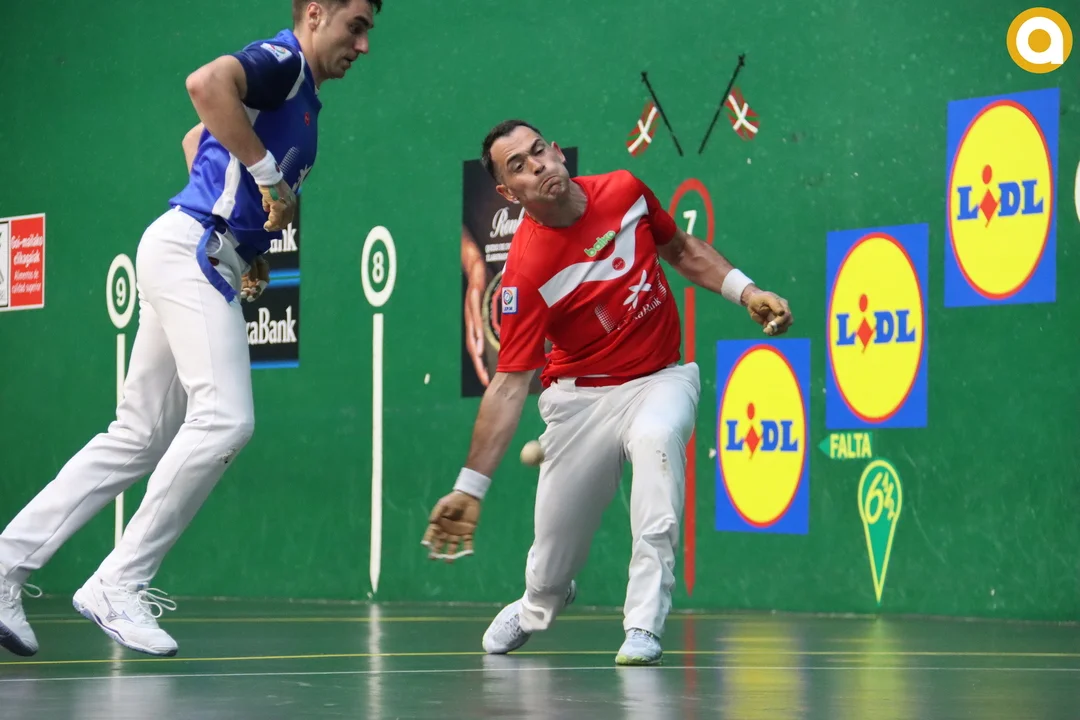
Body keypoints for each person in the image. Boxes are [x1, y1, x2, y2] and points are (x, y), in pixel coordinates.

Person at [0, 0, 382, 659]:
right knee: (226, 420)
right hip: (189, 251)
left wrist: (244, 234)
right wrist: (264, 177)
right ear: (316, 13)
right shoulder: (284, 62)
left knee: (137, 437)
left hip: (198, 248)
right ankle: (120, 582)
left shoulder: (302, 96)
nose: (364, 44)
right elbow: (205, 86)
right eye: (357, 26)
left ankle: (6, 564)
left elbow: (196, 140)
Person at [422, 119, 794, 666]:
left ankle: (643, 622)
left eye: (538, 151)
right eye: (518, 167)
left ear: (556, 151)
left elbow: (681, 249)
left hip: (658, 379)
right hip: (581, 402)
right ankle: (538, 603)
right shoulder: (526, 271)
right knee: (550, 567)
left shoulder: (624, 190)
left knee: (658, 440)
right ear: (508, 192)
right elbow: (509, 384)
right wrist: (470, 488)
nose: (537, 166)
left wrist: (747, 292)